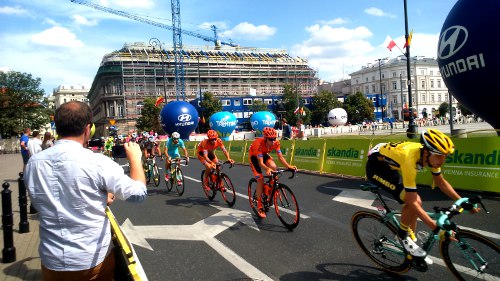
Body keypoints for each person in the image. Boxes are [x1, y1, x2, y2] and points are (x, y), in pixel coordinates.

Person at [24, 101, 147, 281]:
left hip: (51, 260)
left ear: (57, 127)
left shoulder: (33, 163)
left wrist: (95, 198)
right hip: (92, 260)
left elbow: (44, 201)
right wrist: (135, 159)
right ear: (89, 129)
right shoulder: (96, 161)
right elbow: (138, 195)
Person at [365, 128, 479, 262]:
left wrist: (462, 201)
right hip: (375, 168)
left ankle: (410, 239)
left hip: (391, 167)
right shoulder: (410, 159)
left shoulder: (430, 155)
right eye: (438, 156)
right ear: (426, 152)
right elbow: (413, 201)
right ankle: (402, 235)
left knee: (412, 203)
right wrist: (435, 227)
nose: (441, 161)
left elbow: (440, 182)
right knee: (414, 201)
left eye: (444, 156)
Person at [248, 127, 297, 218]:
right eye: (271, 139)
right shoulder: (259, 143)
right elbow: (260, 163)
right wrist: (267, 169)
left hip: (264, 154)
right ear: (265, 139)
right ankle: (259, 205)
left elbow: (280, 157)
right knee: (260, 179)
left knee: (274, 167)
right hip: (254, 157)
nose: (273, 141)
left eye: (275, 138)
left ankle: (270, 187)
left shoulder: (276, 143)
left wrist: (289, 166)